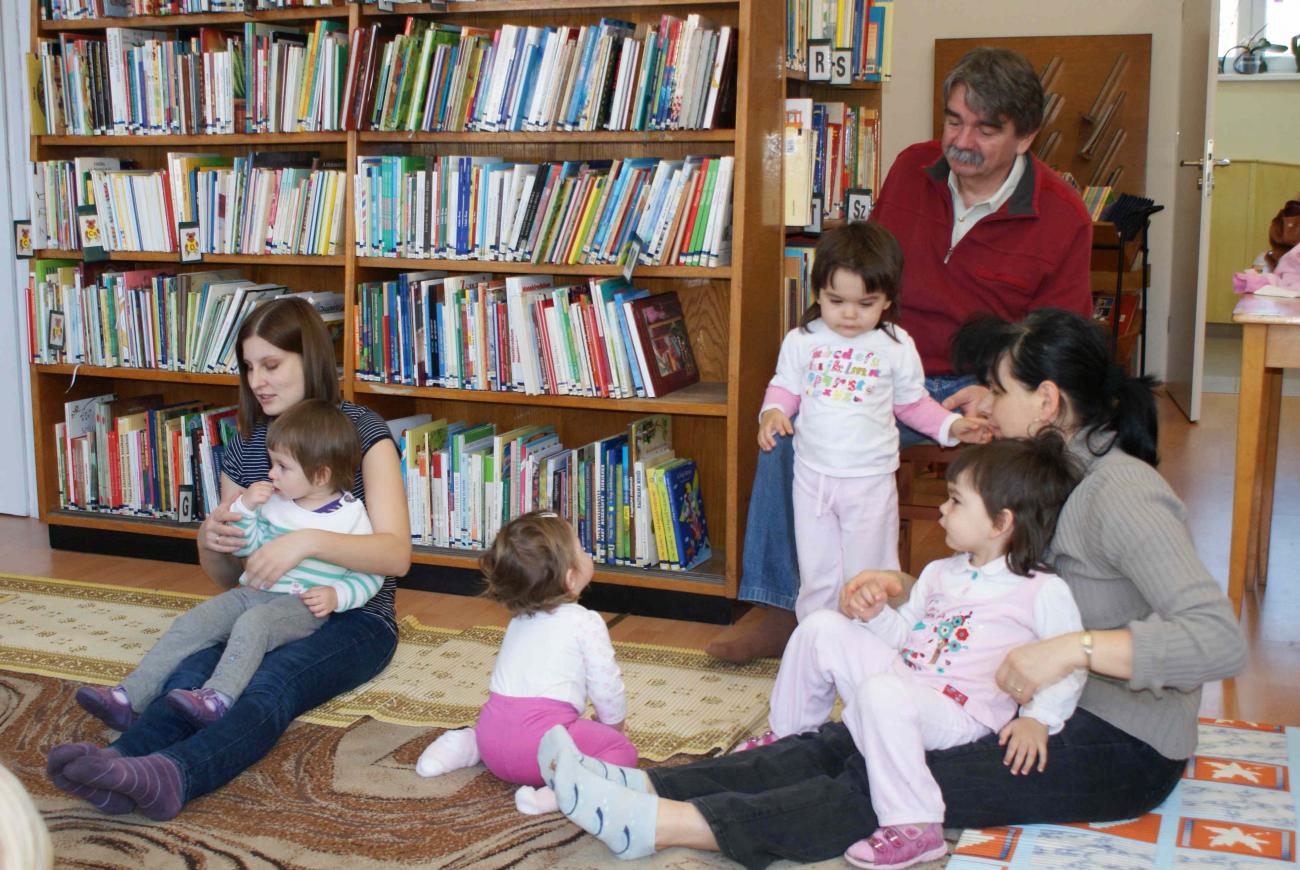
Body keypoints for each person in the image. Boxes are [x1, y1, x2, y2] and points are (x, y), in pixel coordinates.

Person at [541, 309, 1247, 869]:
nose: (985, 403)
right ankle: (644, 786)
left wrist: (1072, 649)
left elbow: (1218, 640)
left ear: (1047, 400)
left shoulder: (1122, 491)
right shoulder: (1044, 474)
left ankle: (669, 825)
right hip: (1019, 698)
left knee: (883, 776)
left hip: (1118, 738)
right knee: (850, 733)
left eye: (999, 391)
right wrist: (911, 591)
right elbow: (1001, 591)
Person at [707, 46, 1095, 663]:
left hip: (975, 386)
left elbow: (1060, 341)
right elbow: (868, 273)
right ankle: (783, 606)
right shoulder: (912, 168)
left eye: (985, 129)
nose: (961, 141)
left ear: (1026, 137)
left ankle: (997, 616)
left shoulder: (1063, 215)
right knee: (786, 429)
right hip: (877, 364)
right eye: (953, 121)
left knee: (1048, 446)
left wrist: (1000, 391)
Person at [46, 296, 411, 821]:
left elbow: (396, 556)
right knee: (195, 670)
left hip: (356, 617)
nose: (257, 381)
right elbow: (232, 577)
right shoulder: (247, 451)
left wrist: (305, 542)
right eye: (248, 367)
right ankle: (120, 761)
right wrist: (209, 542)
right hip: (264, 604)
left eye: (271, 365)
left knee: (270, 682)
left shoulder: (361, 432)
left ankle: (176, 775)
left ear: (309, 358)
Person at [746, 436, 1085, 870]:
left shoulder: (1042, 589)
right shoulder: (940, 572)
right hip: (906, 683)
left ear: (1000, 522)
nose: (942, 509)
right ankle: (789, 739)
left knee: (882, 693)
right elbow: (906, 636)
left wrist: (1040, 718)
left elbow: (1069, 661)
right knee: (820, 626)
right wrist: (875, 616)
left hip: (960, 710)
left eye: (956, 501)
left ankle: (915, 823)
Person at [73, 399, 384, 729]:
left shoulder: (351, 516)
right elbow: (247, 546)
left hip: (301, 605)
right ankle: (129, 697)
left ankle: (218, 698)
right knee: (195, 622)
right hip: (254, 592)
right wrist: (245, 509)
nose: (271, 473)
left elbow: (370, 573)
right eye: (272, 463)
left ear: (321, 475)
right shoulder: (275, 503)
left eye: (283, 467)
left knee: (254, 624)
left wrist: (337, 595)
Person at [757, 223, 986, 619]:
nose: (849, 314)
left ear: (887, 299)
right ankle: (817, 637)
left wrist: (950, 426)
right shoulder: (802, 339)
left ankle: (870, 640)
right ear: (818, 293)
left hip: (870, 482)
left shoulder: (894, 345)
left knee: (868, 574)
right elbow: (785, 386)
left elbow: (913, 404)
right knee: (817, 573)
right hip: (812, 479)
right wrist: (773, 412)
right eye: (836, 301)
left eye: (865, 303)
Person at [416, 511, 636, 817]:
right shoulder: (585, 622)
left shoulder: (517, 621)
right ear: (570, 579)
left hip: (492, 739)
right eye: (581, 549)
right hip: (542, 751)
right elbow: (606, 686)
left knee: (504, 732)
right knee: (621, 752)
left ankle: (462, 745)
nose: (588, 555)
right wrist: (614, 728)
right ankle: (564, 790)